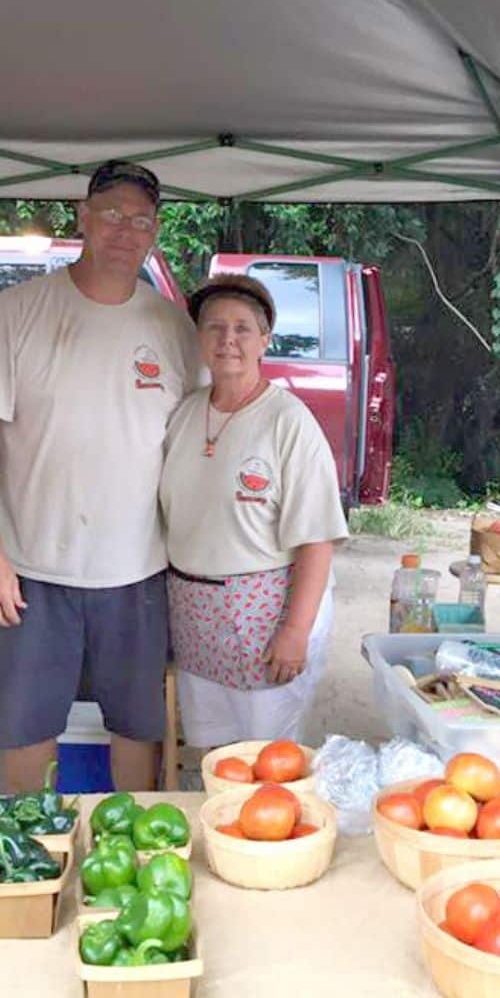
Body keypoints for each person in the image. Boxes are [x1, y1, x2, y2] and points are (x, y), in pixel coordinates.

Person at [0, 160, 202, 792]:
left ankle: (131, 845)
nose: (125, 230)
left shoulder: (174, 327)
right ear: (82, 218)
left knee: (139, 726)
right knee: (27, 727)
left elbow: (201, 442)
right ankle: (29, 855)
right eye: (112, 214)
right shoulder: (17, 313)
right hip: (32, 569)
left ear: (155, 231)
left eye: (141, 219)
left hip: (139, 571)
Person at [158, 275, 349, 748]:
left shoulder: (289, 421)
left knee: (269, 762)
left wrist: (295, 630)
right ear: (198, 338)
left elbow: (316, 539)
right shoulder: (184, 413)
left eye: (243, 328)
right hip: (195, 613)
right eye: (214, 328)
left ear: (265, 339)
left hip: (265, 615)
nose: (228, 340)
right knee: (213, 752)